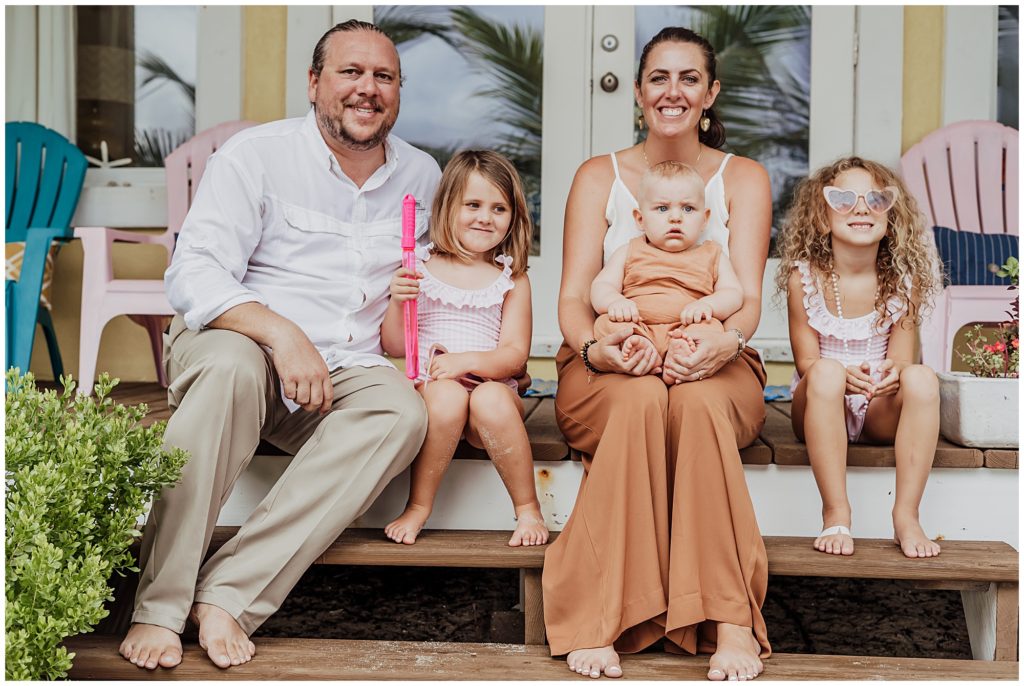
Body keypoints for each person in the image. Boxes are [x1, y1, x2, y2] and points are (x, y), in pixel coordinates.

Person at [117, 20, 442, 671]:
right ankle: (158, 605)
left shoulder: (422, 175)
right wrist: (280, 333)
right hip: (236, 339)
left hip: (347, 363)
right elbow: (193, 275)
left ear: (399, 92)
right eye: (351, 72)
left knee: (403, 414)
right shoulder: (255, 155)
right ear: (315, 82)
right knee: (236, 371)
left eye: (384, 77)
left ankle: (229, 594)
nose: (367, 90)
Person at [543, 27, 773, 682]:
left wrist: (725, 340)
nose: (673, 92)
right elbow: (571, 301)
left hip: (716, 360)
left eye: (689, 78)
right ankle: (603, 614)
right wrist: (600, 347)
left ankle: (729, 617)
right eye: (659, 78)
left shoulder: (745, 179)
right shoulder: (599, 177)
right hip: (612, 363)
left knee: (697, 405)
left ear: (711, 94)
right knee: (644, 400)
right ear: (640, 91)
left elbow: (748, 301)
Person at [775, 157, 943, 559]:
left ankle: (907, 515)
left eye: (876, 199)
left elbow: (902, 358)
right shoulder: (805, 279)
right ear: (820, 216)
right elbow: (806, 363)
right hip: (820, 404)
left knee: (922, 378)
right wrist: (834, 374)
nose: (861, 207)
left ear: (891, 218)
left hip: (877, 406)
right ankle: (836, 511)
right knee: (827, 373)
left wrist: (893, 373)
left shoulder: (904, 283)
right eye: (844, 198)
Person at [381, 150, 548, 548]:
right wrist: (396, 302)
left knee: (490, 397)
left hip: (488, 401)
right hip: (434, 398)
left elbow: (514, 355)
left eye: (499, 208)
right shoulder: (419, 267)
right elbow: (393, 344)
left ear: (513, 216)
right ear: (447, 207)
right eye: (472, 205)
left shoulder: (511, 279)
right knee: (447, 394)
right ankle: (419, 506)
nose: (485, 217)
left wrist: (467, 362)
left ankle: (527, 508)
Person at [591, 160, 743, 382]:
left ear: (705, 219)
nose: (675, 217)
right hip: (638, 325)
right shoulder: (630, 250)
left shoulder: (713, 254)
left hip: (686, 327)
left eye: (688, 208)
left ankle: (680, 356)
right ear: (640, 219)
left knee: (712, 327)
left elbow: (733, 293)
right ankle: (640, 349)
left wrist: (707, 305)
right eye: (662, 208)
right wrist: (614, 302)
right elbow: (601, 286)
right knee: (605, 324)